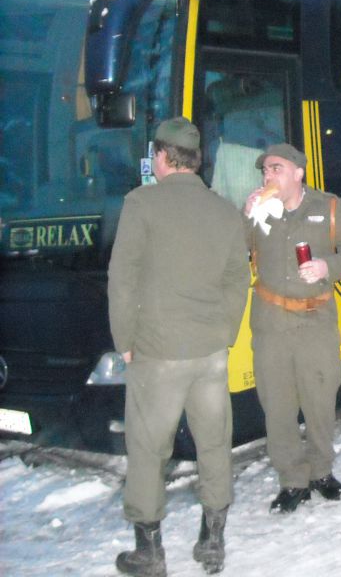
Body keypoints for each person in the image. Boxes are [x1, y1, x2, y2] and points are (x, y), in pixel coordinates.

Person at [108, 117, 251, 576]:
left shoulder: (142, 203)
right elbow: (236, 280)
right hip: (210, 352)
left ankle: (149, 553)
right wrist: (225, 332)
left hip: (158, 351)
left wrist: (124, 341)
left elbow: (122, 279)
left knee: (149, 450)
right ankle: (212, 543)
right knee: (214, 444)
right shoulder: (226, 211)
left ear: (165, 158)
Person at [243, 144, 341, 513]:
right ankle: (292, 481)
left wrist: (326, 267)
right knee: (277, 406)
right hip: (270, 323)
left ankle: (321, 473)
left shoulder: (328, 206)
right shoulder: (260, 209)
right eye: (265, 170)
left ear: (298, 172)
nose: (267, 176)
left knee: (319, 400)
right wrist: (246, 216)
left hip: (315, 320)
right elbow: (237, 250)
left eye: (276, 169)